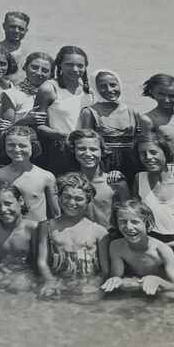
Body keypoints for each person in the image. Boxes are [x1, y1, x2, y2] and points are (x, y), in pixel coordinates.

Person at [36, 173, 110, 300]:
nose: (71, 202)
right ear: (59, 197)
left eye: (78, 199)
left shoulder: (99, 231)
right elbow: (42, 262)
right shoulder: (47, 227)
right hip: (57, 281)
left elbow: (105, 270)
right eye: (67, 197)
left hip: (87, 283)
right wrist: (50, 281)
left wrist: (95, 284)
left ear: (88, 201)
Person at [99, 199, 174, 296]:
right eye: (123, 221)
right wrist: (115, 280)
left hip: (160, 290)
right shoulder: (116, 246)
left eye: (135, 222)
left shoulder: (163, 250)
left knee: (171, 296)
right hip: (135, 288)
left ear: (147, 223)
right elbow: (116, 277)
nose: (129, 227)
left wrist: (159, 281)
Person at [78, 69, 150, 177]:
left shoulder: (132, 112)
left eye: (113, 85)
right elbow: (86, 143)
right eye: (103, 86)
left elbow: (142, 140)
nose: (109, 89)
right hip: (103, 166)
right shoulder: (89, 112)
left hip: (132, 164)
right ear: (95, 88)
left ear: (120, 85)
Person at [33, 45, 93, 173]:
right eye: (69, 65)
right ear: (60, 65)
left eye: (80, 65)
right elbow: (37, 125)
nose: (75, 69)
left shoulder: (89, 90)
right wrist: (61, 135)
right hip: (60, 149)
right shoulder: (49, 88)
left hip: (88, 149)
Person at [0, 126, 58, 222]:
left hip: (37, 230)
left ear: (33, 146)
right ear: (4, 146)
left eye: (22, 145)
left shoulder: (46, 177)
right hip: (5, 230)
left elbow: (55, 214)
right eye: (11, 145)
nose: (16, 149)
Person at [133, 130, 174, 254]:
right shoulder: (139, 178)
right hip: (151, 245)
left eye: (153, 152)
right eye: (143, 153)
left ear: (165, 152)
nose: (148, 157)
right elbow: (136, 215)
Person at [0, 182, 39, 293]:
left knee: (17, 288)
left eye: (8, 203)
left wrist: (19, 274)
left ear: (20, 201)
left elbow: (36, 262)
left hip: (24, 270)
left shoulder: (32, 228)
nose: (3, 209)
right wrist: (3, 270)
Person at [68, 129, 129, 228]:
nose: (88, 154)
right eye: (81, 149)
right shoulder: (69, 183)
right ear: (73, 150)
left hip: (109, 235)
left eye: (93, 149)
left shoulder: (116, 183)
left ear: (102, 151)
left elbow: (128, 216)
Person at [141, 73, 174, 176]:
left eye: (171, 96)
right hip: (165, 169)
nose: (166, 99)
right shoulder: (147, 119)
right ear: (152, 92)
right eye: (161, 94)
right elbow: (145, 149)